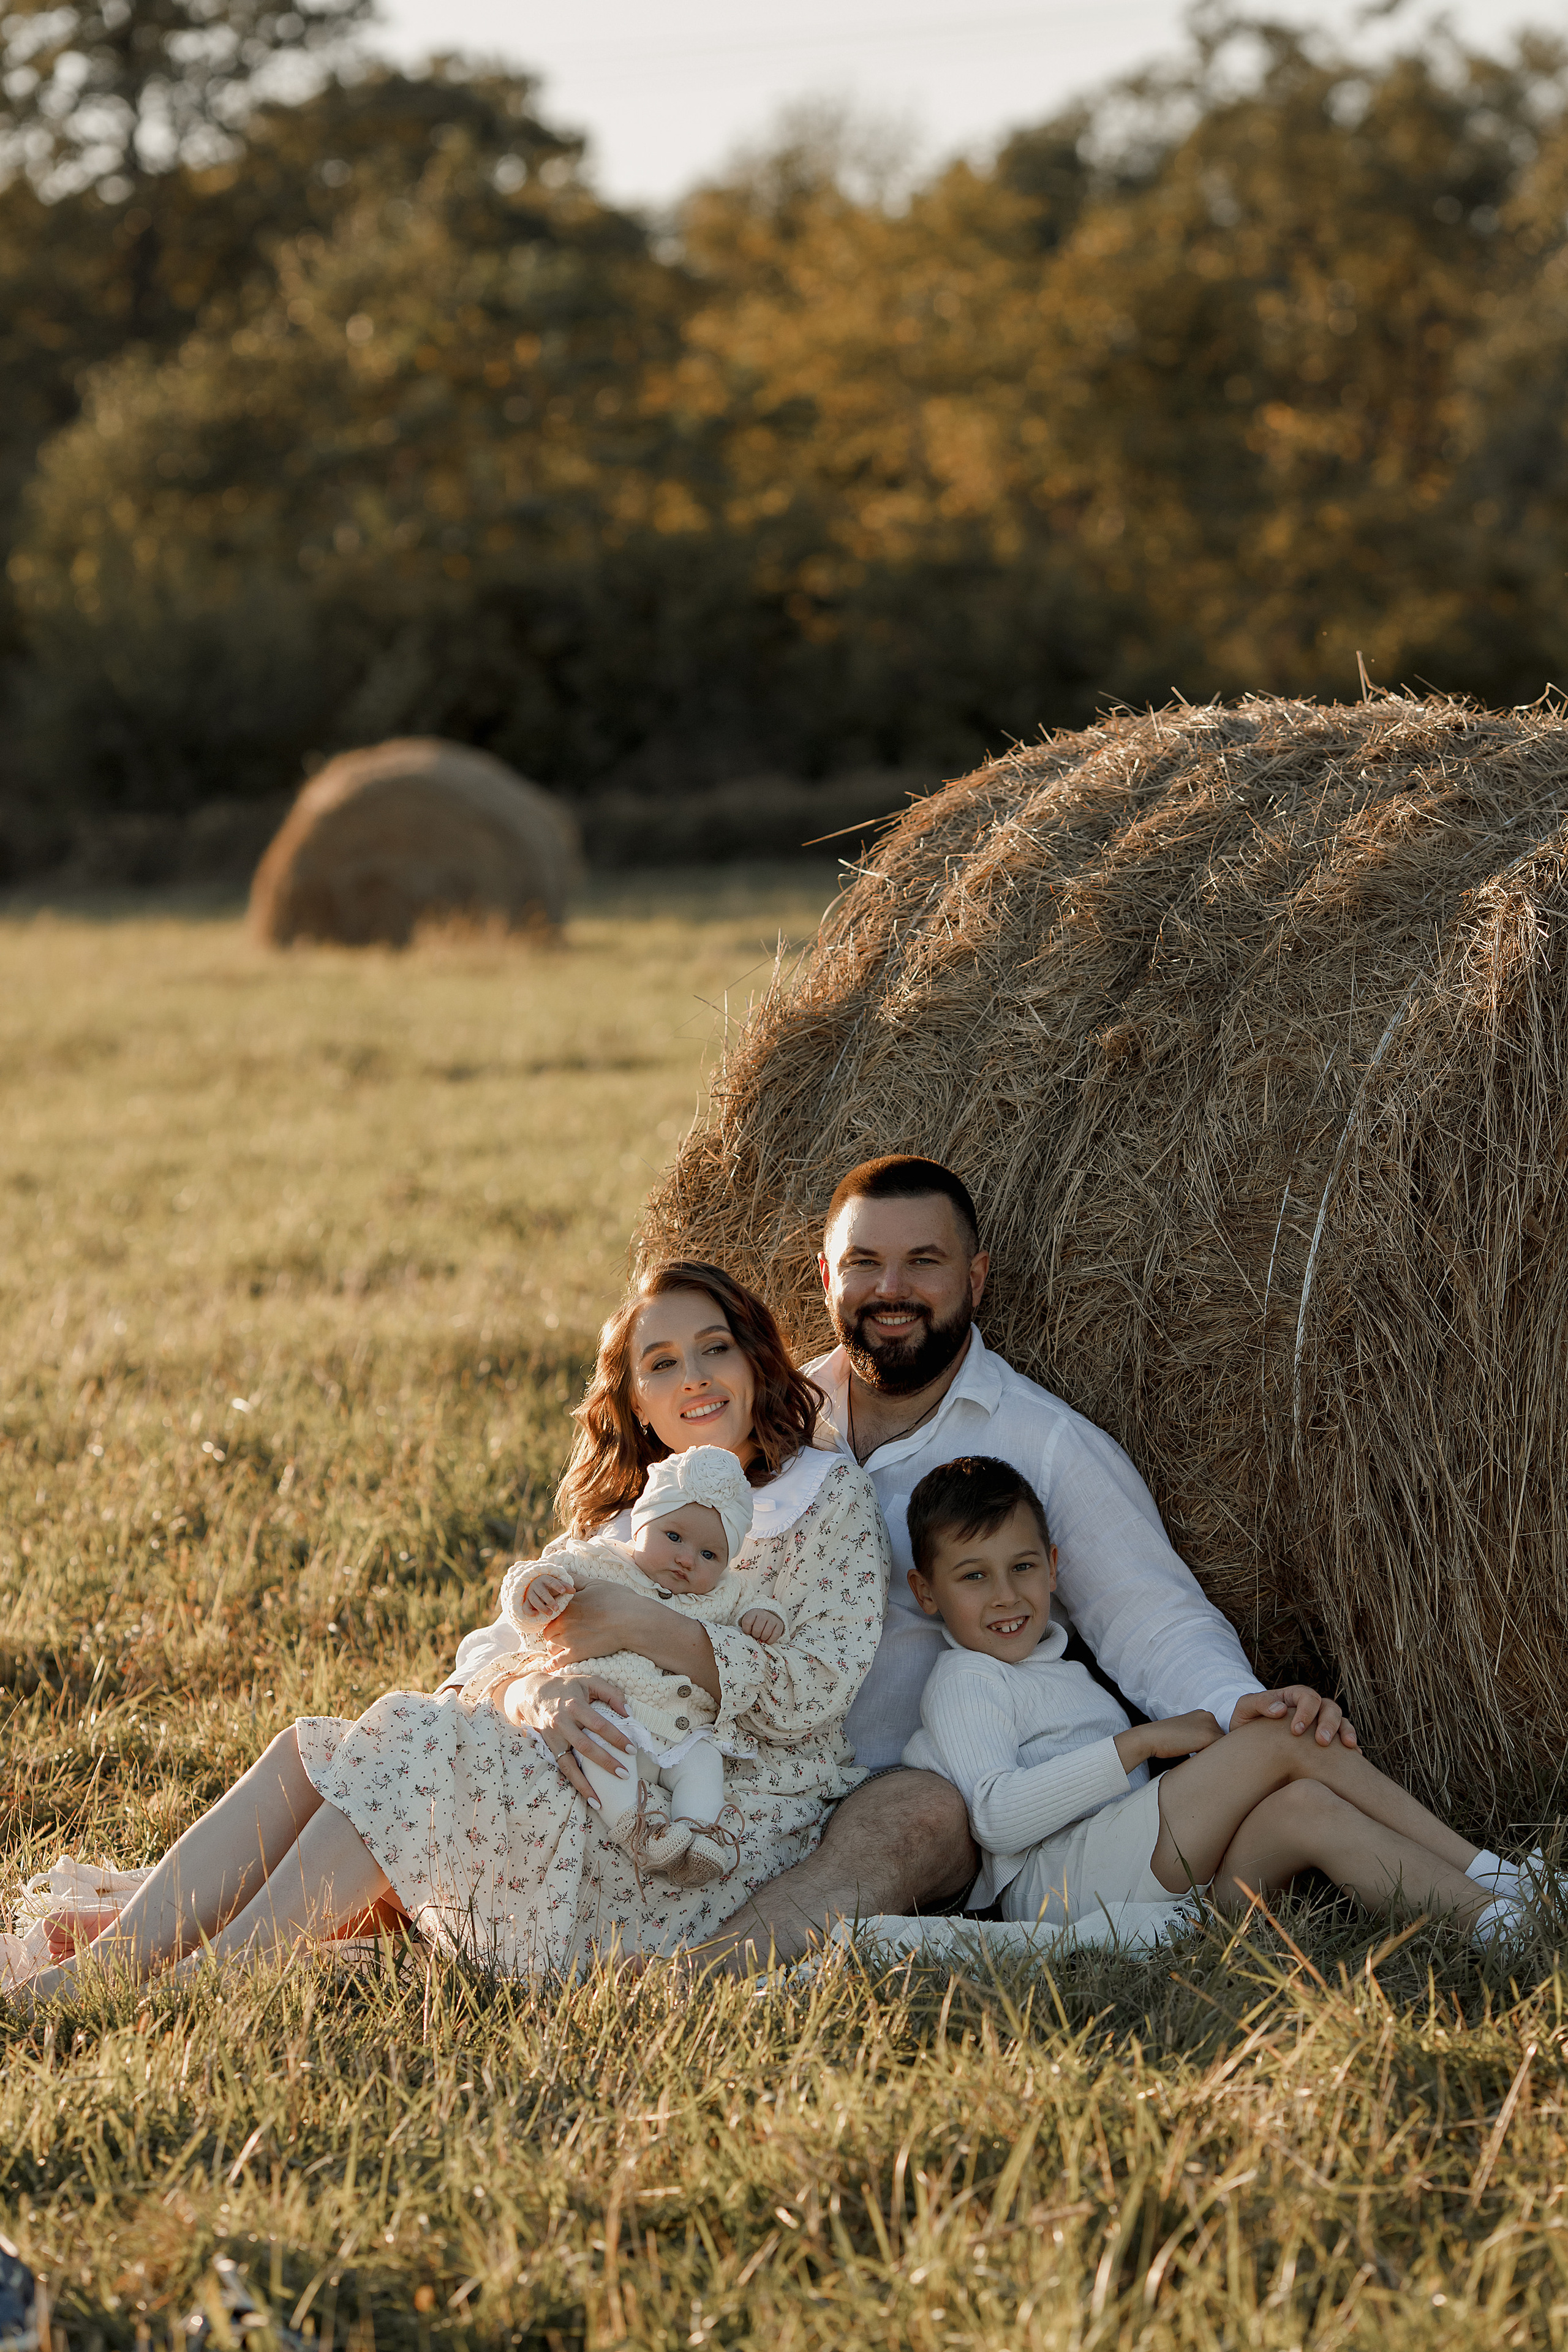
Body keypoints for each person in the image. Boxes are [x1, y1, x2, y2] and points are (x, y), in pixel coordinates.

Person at [8, 1263, 889, 2000]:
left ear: (756, 1362)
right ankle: (117, 1963)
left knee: (416, 1745)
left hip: (702, 1817)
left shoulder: (823, 1497)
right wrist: (537, 1692)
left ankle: (205, 1982)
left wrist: (650, 1629)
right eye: (662, 1363)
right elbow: (497, 1661)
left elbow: (817, 1689)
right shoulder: (622, 1523)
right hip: (570, 1760)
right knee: (313, 1750)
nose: (693, 1376)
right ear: (638, 1404)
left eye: (714, 1348)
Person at [691, 1153, 1362, 1972]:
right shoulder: (761, 1425)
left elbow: (1146, 1616)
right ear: (826, 1273)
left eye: (924, 1263)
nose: (890, 1288)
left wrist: (1239, 1706)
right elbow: (638, 1550)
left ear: (976, 1279)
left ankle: (699, 1979)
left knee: (915, 1820)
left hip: (902, 1783)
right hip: (741, 1754)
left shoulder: (1041, 1441)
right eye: (865, 1263)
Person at [900, 1455, 1525, 1941]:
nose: (1006, 1596)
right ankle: (1503, 1876)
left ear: (1055, 1566)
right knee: (1285, 1735)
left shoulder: (1057, 1670)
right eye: (973, 1576)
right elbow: (995, 1816)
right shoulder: (966, 1679)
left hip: (1145, 1892)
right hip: (1062, 1887)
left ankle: (1502, 1925)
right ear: (926, 1593)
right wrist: (1140, 1742)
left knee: (1307, 1805)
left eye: (1023, 1567)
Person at [488, 1443, 786, 1887]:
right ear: (642, 1523)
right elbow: (534, 1576)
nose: (687, 1558)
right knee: (599, 1747)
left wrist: (765, 1618)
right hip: (613, 1711)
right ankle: (638, 1830)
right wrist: (534, 1589)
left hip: (681, 1731)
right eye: (673, 1537)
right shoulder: (600, 1560)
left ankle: (697, 1834)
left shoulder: (726, 1592)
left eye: (709, 1555)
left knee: (704, 1762)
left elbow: (758, 1603)